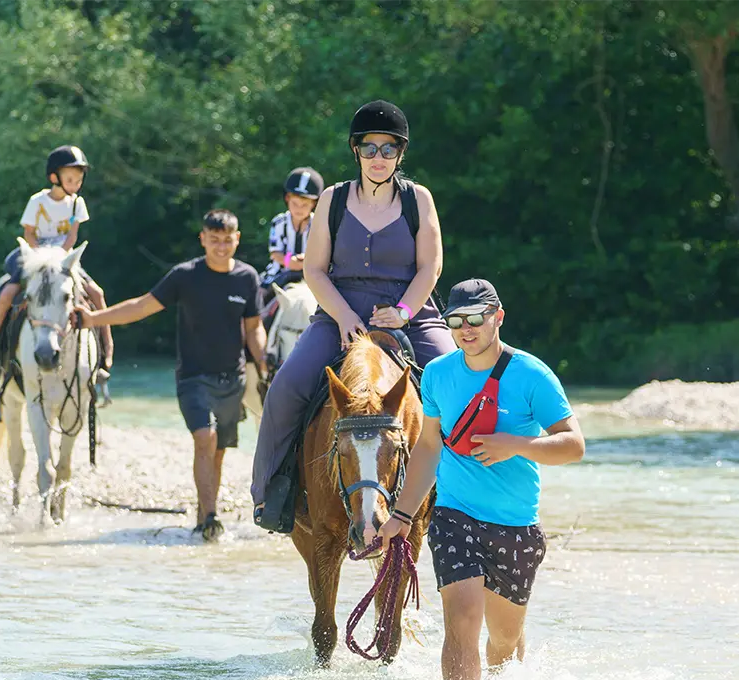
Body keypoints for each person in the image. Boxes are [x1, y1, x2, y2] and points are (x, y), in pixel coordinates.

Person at [250, 99, 456, 530]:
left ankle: (466, 500)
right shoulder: (333, 199)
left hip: (409, 312)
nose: (378, 157)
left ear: (400, 153)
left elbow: (430, 267)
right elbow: (314, 270)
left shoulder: (419, 199)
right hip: (339, 311)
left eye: (388, 148)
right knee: (286, 386)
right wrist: (343, 316)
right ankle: (272, 494)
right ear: (355, 150)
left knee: (458, 384)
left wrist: (402, 312)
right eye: (369, 148)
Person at [377, 279, 586, 680]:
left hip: (516, 524)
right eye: (456, 321)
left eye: (476, 318)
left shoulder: (531, 374)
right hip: (455, 516)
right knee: (461, 622)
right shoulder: (436, 374)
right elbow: (430, 445)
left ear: (498, 317)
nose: (466, 329)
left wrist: (518, 445)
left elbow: (574, 445)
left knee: (504, 640)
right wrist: (401, 514)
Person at [74, 210, 266, 542]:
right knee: (204, 438)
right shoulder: (185, 276)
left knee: (218, 450)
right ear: (203, 239)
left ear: (237, 239)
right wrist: (94, 319)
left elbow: (254, 328)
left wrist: (264, 364)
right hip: (193, 378)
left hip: (232, 380)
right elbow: (141, 306)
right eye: (214, 239)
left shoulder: (247, 278)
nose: (221, 246)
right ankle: (209, 518)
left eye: (227, 240)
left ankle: (204, 512)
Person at [0, 145, 110, 419]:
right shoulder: (37, 201)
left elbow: (73, 235)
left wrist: (60, 258)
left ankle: (104, 353)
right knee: (7, 294)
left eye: (79, 178)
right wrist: (41, 257)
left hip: (62, 258)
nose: (77, 183)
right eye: (71, 178)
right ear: (55, 177)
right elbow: (28, 233)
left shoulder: (77, 203)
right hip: (35, 255)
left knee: (95, 293)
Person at [257, 166, 324, 315]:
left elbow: (324, 251)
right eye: (295, 204)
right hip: (281, 270)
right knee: (259, 296)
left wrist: (306, 259)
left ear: (314, 204)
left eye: (304, 205)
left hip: (312, 272)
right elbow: (275, 253)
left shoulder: (320, 224)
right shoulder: (279, 222)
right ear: (287, 199)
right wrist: (289, 261)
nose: (299, 209)